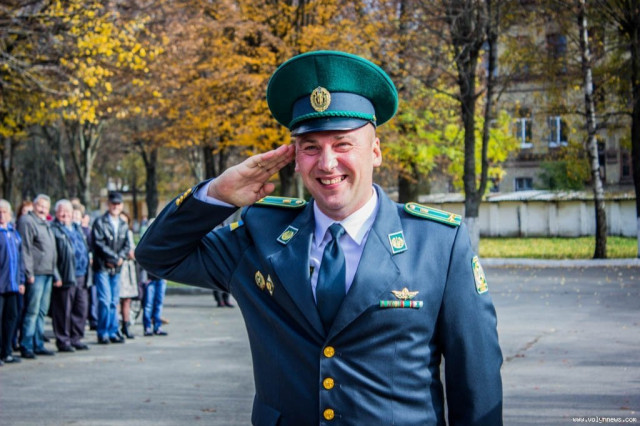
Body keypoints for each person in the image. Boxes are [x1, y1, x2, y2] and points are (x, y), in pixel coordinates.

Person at [136, 51, 503, 425]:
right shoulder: (260, 236)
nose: (327, 163)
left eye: (343, 144)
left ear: (375, 151)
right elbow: (158, 255)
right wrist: (217, 194)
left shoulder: (438, 245)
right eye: (311, 147)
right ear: (295, 158)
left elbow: (477, 377)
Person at [17, 194, 57, 359]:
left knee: (41, 311)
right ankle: (26, 344)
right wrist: (29, 272)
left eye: (46, 207)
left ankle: (38, 343)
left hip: (47, 272)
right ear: (34, 206)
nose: (43, 210)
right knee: (32, 311)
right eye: (40, 206)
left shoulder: (45, 223)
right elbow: (25, 249)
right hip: (36, 274)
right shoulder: (27, 221)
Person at [50, 199, 91, 352]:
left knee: (80, 309)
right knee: (63, 310)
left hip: (82, 275)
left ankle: (76, 338)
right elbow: (52, 255)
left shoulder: (76, 228)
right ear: (56, 213)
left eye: (68, 211)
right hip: (66, 275)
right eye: (62, 211)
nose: (65, 214)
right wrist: (56, 276)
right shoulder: (54, 229)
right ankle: (63, 341)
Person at [91, 191, 130, 344]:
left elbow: (127, 245)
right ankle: (103, 332)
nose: (116, 206)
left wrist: (120, 258)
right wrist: (113, 258)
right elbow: (98, 243)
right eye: (113, 203)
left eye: (118, 204)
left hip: (117, 268)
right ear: (108, 205)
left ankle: (113, 331)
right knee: (105, 301)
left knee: (114, 301)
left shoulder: (123, 224)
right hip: (103, 267)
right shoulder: (100, 222)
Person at [0, 200, 25, 365]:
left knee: (11, 318)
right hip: (1, 285)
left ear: (9, 215)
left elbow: (20, 259)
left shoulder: (14, 233)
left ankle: (6, 352)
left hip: (13, 285)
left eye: (5, 212)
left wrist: (21, 280)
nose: (2, 216)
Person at [118, 212, 138, 339]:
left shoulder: (129, 233)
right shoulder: (117, 232)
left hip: (128, 269)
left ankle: (126, 325)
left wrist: (132, 254)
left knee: (127, 299)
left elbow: (133, 249)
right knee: (117, 299)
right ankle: (116, 325)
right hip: (119, 267)